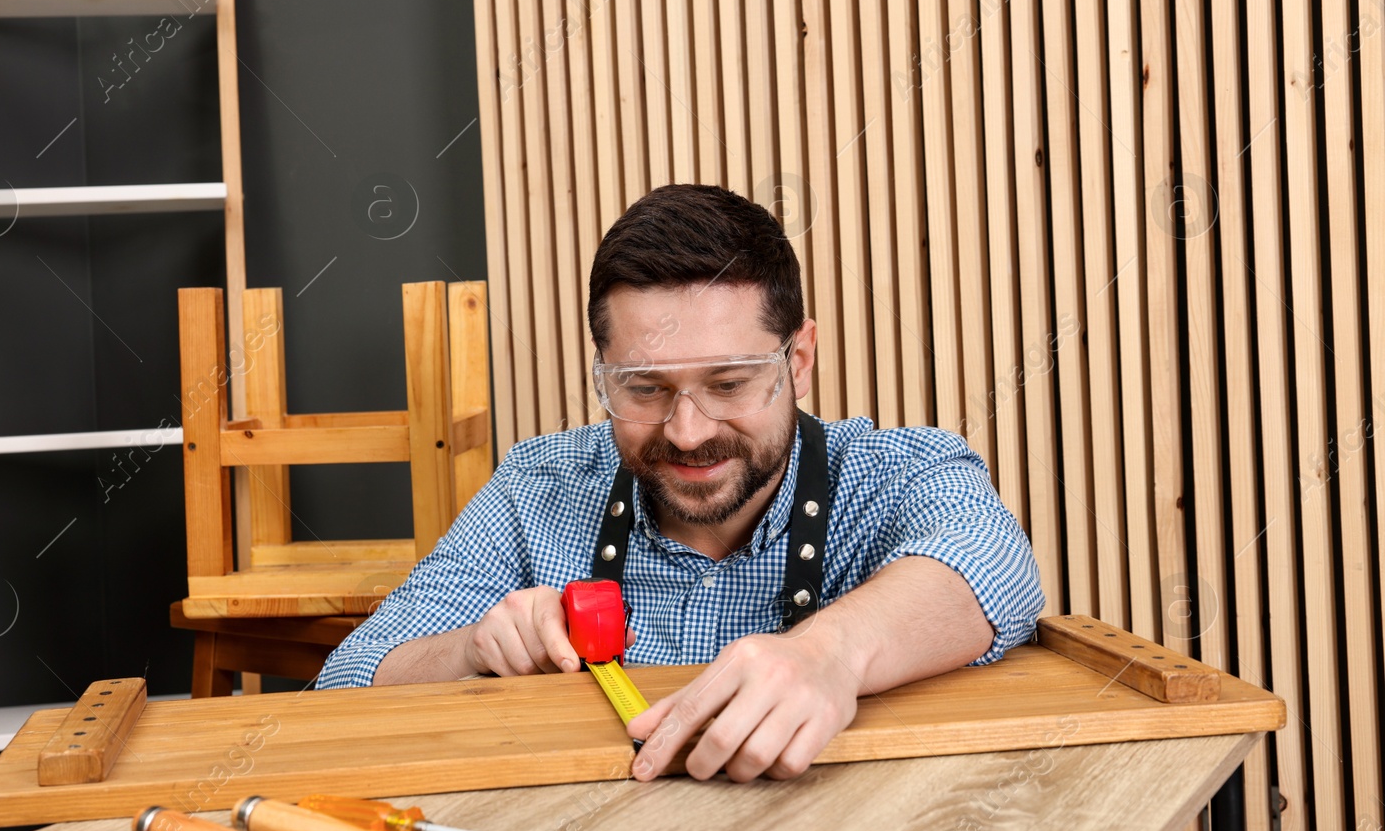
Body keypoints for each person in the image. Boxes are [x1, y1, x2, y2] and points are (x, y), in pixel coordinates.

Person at [316, 184, 1045, 784]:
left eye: (729, 382)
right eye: (643, 389)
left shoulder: (892, 472)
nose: (689, 430)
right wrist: (474, 649)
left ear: (799, 360)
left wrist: (830, 653)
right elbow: (347, 681)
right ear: (601, 372)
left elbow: (996, 563)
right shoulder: (536, 486)